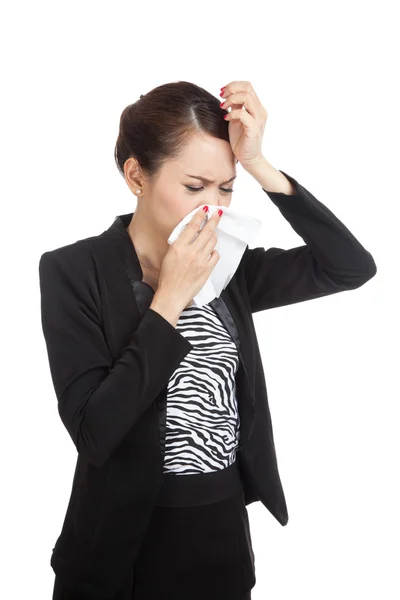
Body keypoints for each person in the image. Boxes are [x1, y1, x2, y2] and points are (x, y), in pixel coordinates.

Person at [39, 80, 377, 600]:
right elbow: (94, 430)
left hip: (219, 533)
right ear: (136, 175)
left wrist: (260, 164)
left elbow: (350, 267)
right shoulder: (73, 270)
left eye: (226, 188)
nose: (213, 209)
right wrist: (169, 299)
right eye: (195, 187)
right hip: (117, 551)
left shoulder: (227, 268)